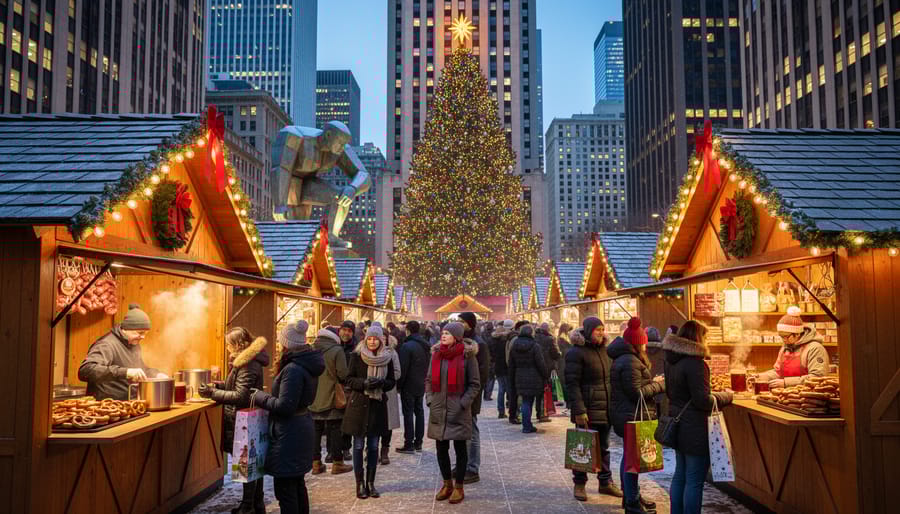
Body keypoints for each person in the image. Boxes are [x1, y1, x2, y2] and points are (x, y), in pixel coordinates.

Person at [250, 321, 324, 514]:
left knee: (286, 490)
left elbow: (285, 406)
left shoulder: (293, 369)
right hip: (299, 429)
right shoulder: (305, 363)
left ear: (287, 343)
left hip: (289, 433)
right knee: (297, 484)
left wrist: (260, 396)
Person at [662, 320, 733, 514]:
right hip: (694, 428)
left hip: (678, 423)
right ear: (697, 338)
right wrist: (726, 396)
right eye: (705, 336)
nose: (706, 340)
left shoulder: (671, 360)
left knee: (680, 475)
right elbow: (702, 400)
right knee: (694, 480)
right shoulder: (695, 363)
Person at [198, 327, 270, 514]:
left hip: (243, 418)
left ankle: (248, 507)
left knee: (247, 463)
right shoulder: (247, 361)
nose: (227, 348)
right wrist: (219, 386)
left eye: (229, 344)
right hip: (248, 417)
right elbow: (237, 387)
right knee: (252, 463)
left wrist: (212, 393)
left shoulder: (247, 364)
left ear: (238, 345)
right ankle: (256, 504)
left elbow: (240, 395)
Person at [608, 318, 665, 514]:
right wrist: (659, 385)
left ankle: (631, 496)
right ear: (638, 342)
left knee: (630, 457)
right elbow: (636, 392)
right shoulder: (631, 361)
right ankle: (632, 502)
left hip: (627, 414)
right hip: (631, 415)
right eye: (644, 341)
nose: (646, 344)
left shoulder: (625, 359)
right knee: (632, 460)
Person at [565, 316, 623, 501]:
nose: (601, 332)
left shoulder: (606, 351)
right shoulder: (576, 352)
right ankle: (579, 484)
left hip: (605, 407)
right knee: (582, 447)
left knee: (604, 447)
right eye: (597, 329)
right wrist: (579, 409)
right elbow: (572, 384)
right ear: (589, 330)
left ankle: (605, 482)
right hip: (587, 408)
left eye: (602, 329)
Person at [426, 322, 481, 505]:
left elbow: (475, 384)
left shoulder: (467, 357)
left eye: (448, 333)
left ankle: (459, 486)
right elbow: (428, 379)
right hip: (438, 409)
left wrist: (463, 403)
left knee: (460, 449)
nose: (443, 336)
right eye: (443, 333)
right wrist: (430, 399)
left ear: (457, 337)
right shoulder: (436, 355)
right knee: (441, 449)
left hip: (458, 411)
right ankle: (446, 484)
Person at [341, 325, 396, 499]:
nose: (372, 341)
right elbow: (348, 379)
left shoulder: (388, 357)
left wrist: (381, 383)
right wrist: (364, 383)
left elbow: (392, 381)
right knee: (358, 446)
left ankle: (371, 483)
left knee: (373, 446)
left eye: (375, 339)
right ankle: (359, 484)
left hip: (377, 407)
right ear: (365, 339)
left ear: (381, 340)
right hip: (359, 406)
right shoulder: (356, 356)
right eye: (369, 338)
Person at [78, 304, 166, 400]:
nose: (143, 337)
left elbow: (139, 370)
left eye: (145, 333)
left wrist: (156, 374)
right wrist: (126, 372)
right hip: (106, 406)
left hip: (128, 404)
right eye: (140, 333)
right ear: (126, 329)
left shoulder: (133, 343)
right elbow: (86, 370)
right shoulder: (107, 344)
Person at [307, 327, 352, 475]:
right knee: (335, 429)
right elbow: (343, 373)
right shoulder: (337, 350)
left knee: (316, 430)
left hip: (313, 395)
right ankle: (337, 463)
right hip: (332, 395)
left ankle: (315, 464)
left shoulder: (311, 349)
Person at [755, 306, 828, 388]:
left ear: (797, 334)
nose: (783, 340)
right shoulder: (785, 347)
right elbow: (778, 372)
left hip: (808, 396)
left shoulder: (815, 349)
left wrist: (786, 383)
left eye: (785, 336)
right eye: (781, 336)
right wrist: (761, 376)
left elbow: (817, 377)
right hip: (788, 394)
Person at [457, 312, 490, 484]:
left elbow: (483, 374)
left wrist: (472, 395)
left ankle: (472, 468)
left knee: (472, 431)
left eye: (462, 321)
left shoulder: (479, 344)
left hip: (471, 395)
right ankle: (463, 464)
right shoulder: (460, 340)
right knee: (461, 431)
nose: (459, 323)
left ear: (470, 324)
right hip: (459, 394)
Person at [396, 321, 430, 453]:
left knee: (408, 414)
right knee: (419, 412)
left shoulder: (406, 346)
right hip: (421, 383)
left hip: (409, 384)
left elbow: (403, 369)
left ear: (408, 330)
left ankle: (408, 443)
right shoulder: (426, 345)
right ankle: (418, 443)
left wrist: (399, 385)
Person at [507, 325, 549, 433]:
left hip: (519, 376)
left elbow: (511, 364)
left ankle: (526, 425)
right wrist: (545, 375)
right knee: (529, 401)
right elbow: (541, 363)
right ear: (531, 333)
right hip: (534, 377)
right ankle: (527, 425)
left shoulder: (514, 346)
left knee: (525, 400)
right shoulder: (535, 346)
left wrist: (511, 378)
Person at [337, 320, 359, 463]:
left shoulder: (356, 349)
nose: (346, 333)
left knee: (347, 420)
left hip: (350, 388)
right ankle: (335, 450)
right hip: (336, 387)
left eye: (349, 331)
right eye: (344, 330)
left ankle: (346, 448)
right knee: (334, 421)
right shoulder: (335, 345)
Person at [380, 328, 402, 465]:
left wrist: (385, 380)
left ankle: (384, 451)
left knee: (387, 424)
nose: (381, 340)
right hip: (372, 392)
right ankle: (371, 449)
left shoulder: (392, 353)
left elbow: (398, 372)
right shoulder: (366, 353)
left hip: (388, 391)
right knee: (372, 423)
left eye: (383, 337)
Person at [534, 322, 561, 422]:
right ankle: (543, 414)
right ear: (548, 329)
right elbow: (556, 354)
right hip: (547, 367)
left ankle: (538, 412)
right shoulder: (550, 339)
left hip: (536, 367)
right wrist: (559, 354)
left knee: (538, 392)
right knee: (545, 391)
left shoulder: (534, 337)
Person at [489, 320, 515, 419]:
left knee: (501, 390)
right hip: (506, 367)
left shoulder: (494, 338)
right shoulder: (507, 338)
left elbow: (492, 352)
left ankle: (501, 411)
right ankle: (511, 410)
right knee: (509, 390)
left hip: (498, 366)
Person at [556, 323, 573, 401]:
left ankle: (568, 401)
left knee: (565, 382)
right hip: (564, 362)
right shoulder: (563, 338)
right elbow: (565, 350)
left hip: (564, 362)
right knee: (565, 382)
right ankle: (568, 401)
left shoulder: (561, 337)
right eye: (569, 329)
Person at [481, 321, 496, 401]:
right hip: (492, 359)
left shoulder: (482, 334)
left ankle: (483, 395)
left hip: (484, 358)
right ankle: (487, 395)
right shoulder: (494, 336)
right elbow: (494, 349)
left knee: (485, 377)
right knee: (491, 378)